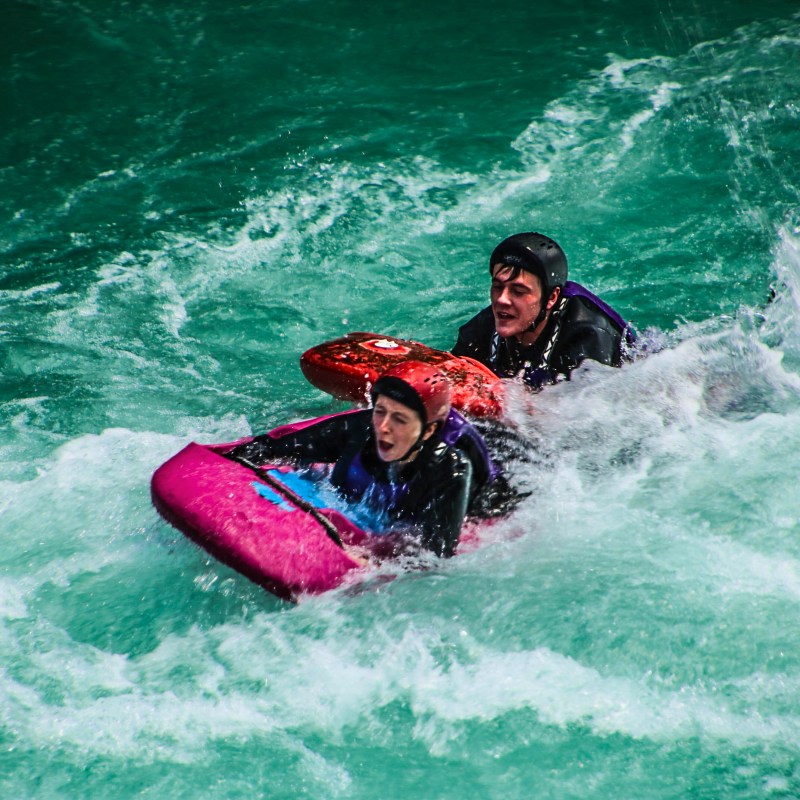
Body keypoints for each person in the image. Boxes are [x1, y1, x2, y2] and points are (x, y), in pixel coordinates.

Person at [226, 361, 505, 558]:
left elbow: (433, 558)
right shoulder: (361, 429)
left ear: (429, 430)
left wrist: (374, 561)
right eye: (380, 411)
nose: (383, 427)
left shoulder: (450, 472)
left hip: (498, 486)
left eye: (399, 419)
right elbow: (276, 448)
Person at [452, 232, 635, 389]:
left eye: (518, 291)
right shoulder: (482, 328)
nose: (502, 299)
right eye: (498, 287)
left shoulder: (589, 339)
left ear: (552, 298)